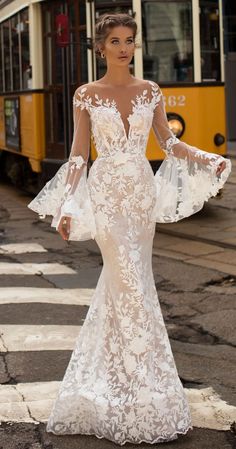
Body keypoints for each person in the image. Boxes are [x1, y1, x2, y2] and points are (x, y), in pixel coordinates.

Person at [28, 12, 231, 446]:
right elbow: (80, 154)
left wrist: (205, 158)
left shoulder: (151, 91)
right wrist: (67, 203)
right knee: (127, 282)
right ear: (100, 47)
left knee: (131, 283)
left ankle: (127, 383)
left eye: (130, 40)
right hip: (106, 196)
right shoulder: (86, 94)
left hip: (140, 194)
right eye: (115, 41)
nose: (124, 47)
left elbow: (168, 142)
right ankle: (138, 387)